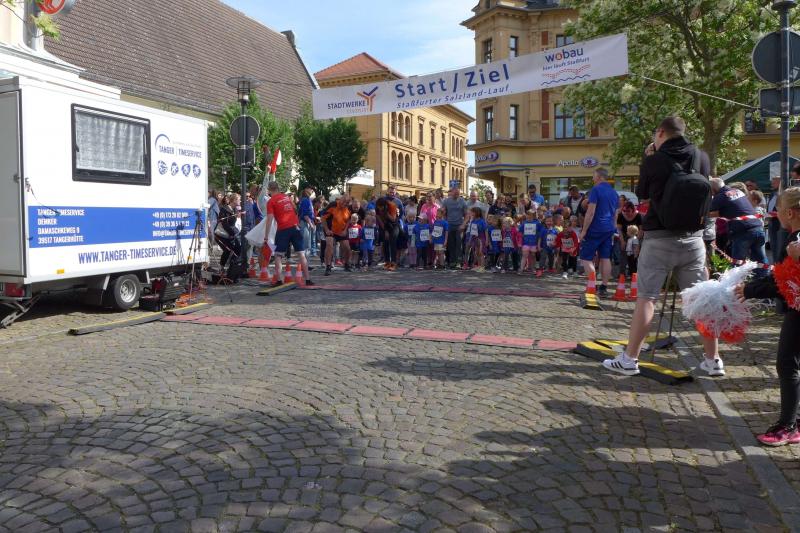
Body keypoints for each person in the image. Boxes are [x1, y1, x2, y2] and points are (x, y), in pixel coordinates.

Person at [603, 115, 722, 377]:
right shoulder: (701, 157)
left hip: (659, 238)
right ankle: (713, 360)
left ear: (660, 133)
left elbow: (643, 194)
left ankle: (630, 359)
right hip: (694, 239)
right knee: (702, 300)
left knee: (647, 298)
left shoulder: (654, 160)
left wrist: (648, 158)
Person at [735, 187, 800, 445]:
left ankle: (787, 425)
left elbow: (782, 282)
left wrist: (749, 290)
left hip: (798, 311)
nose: (776, 215)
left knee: (787, 364)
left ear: (790, 213)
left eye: (778, 211)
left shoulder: (794, 242)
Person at [710, 177, 768, 270]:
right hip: (757, 228)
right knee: (760, 260)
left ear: (713, 189)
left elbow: (708, 212)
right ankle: (764, 278)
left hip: (742, 232)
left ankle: (739, 280)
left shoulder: (720, 196)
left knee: (738, 264)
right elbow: (735, 208)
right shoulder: (737, 191)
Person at [264, 181, 313, 287]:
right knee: (301, 254)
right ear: (278, 188)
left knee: (278, 255)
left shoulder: (271, 201)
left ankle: (279, 280)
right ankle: (308, 279)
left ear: (269, 190)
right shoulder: (286, 197)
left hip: (283, 229)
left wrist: (266, 236)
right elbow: (294, 210)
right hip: (295, 227)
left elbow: (269, 219)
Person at [579, 168, 619, 296]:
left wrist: (584, 231)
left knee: (586, 258)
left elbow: (590, 212)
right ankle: (604, 287)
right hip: (609, 229)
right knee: (605, 258)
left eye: (594, 176)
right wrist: (613, 229)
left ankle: (592, 286)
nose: (593, 178)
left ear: (600, 177)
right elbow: (615, 214)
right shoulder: (614, 192)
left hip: (595, 228)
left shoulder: (595, 190)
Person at [321, 196, 352, 275]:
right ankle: (328, 266)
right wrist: (327, 230)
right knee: (329, 245)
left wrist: (345, 230)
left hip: (341, 230)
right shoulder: (333, 205)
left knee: (347, 247)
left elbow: (349, 220)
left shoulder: (348, 208)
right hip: (330, 229)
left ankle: (347, 264)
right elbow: (323, 218)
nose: (344, 204)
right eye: (343, 202)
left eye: (346, 203)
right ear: (341, 200)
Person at [442, 187, 468, 268]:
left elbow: (467, 214)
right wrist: (445, 222)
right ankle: (452, 262)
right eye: (455, 193)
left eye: (458, 194)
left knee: (459, 244)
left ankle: (459, 262)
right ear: (452, 192)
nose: (457, 195)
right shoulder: (446, 201)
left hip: (459, 226)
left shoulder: (462, 201)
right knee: (451, 244)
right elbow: (443, 213)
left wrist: (463, 224)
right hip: (449, 225)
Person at [215, 193, 241, 274]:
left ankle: (232, 266)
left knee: (238, 249)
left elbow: (233, 224)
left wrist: (235, 232)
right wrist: (233, 233)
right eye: (239, 199)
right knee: (227, 250)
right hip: (221, 234)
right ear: (234, 200)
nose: (240, 201)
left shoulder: (235, 209)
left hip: (230, 233)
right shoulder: (224, 209)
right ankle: (222, 268)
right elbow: (225, 225)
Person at [375, 197, 400, 270]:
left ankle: (393, 263)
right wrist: (385, 230)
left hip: (394, 225)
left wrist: (386, 213)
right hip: (384, 225)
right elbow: (378, 218)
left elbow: (393, 219)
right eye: (378, 207)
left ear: (384, 205)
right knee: (385, 243)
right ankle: (387, 262)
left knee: (392, 242)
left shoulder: (392, 205)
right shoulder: (377, 207)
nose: (380, 209)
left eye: (381, 207)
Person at [466, 206, 489, 271]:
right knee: (477, 252)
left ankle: (482, 267)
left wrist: (487, 240)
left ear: (476, 213)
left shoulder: (482, 221)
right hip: (475, 239)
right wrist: (470, 240)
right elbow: (472, 232)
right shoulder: (473, 221)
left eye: (472, 212)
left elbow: (486, 231)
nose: (471, 213)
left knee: (481, 252)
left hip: (481, 239)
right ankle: (479, 266)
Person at [298, 183, 315, 258]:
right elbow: (305, 215)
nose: (312, 190)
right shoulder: (305, 200)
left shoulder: (308, 200)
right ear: (306, 189)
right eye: (310, 188)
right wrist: (311, 224)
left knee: (307, 245)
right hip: (305, 223)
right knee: (306, 245)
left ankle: (305, 262)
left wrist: (312, 223)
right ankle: (304, 263)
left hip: (307, 222)